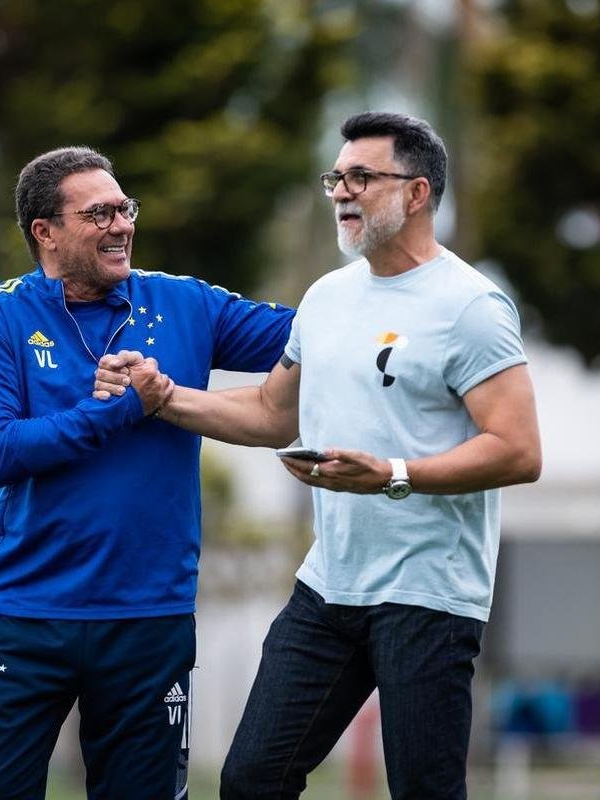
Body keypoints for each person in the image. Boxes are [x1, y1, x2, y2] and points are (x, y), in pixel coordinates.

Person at [96, 111, 542, 799]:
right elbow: (273, 414)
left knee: (424, 791)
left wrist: (392, 476)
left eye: (362, 177)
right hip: (328, 586)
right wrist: (162, 399)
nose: (341, 191)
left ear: (416, 193)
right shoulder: (327, 297)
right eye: (336, 177)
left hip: (427, 594)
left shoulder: (470, 306)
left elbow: (518, 450)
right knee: (252, 781)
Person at [0, 145, 294, 800]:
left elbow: (310, 335)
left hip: (150, 618)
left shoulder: (184, 303)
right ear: (45, 232)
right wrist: (115, 409)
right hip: (28, 616)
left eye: (125, 208)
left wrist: (392, 288)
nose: (121, 225)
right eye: (98, 214)